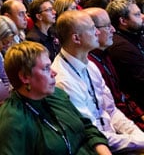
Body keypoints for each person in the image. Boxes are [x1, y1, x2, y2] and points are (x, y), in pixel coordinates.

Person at [0, 41, 111, 155]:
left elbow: (87, 128)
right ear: (25, 77)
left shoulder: (56, 94)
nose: (54, 73)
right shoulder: (12, 119)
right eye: (46, 68)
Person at [52, 10, 144, 153]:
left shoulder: (90, 64)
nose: (97, 32)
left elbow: (111, 110)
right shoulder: (63, 81)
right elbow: (91, 135)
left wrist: (138, 136)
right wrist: (138, 142)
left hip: (115, 138)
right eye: (92, 28)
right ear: (76, 38)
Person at [85, 7, 144, 130]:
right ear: (92, 31)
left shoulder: (104, 54)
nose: (113, 30)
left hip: (128, 116)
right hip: (117, 127)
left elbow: (121, 94)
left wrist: (140, 114)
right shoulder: (90, 64)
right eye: (107, 26)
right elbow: (108, 112)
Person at [106, 0, 144, 109]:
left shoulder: (134, 34)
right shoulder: (121, 47)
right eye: (137, 15)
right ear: (123, 21)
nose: (142, 16)